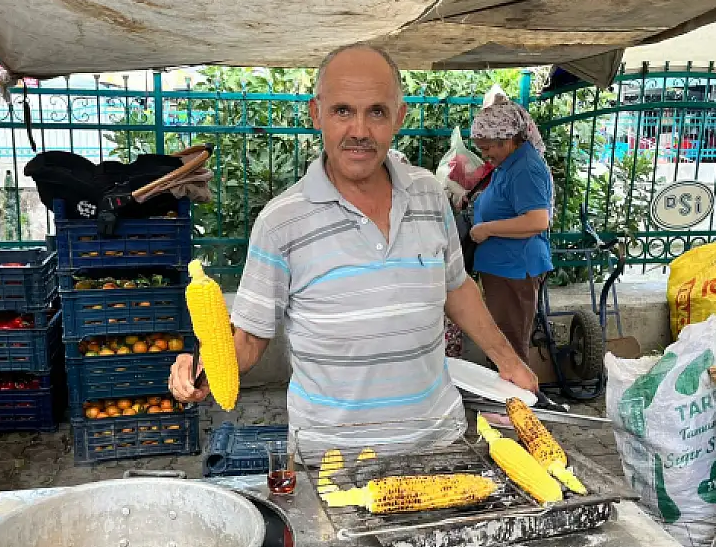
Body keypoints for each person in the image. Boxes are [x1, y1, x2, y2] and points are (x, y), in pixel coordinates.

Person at [169, 44, 537, 453]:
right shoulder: (280, 221)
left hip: (438, 443)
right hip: (332, 459)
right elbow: (251, 339)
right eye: (342, 110)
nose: (359, 130)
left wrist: (508, 360)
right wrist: (203, 370)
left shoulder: (430, 196)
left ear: (399, 118)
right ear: (316, 115)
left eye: (376, 112)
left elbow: (457, 287)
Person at [467, 95, 554, 364]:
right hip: (503, 269)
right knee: (502, 348)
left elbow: (538, 220)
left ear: (506, 140)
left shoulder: (525, 169)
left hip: (515, 269)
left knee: (510, 352)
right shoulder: (510, 164)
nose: (485, 155)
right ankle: (503, 402)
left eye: (488, 148)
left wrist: (488, 229)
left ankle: (514, 403)